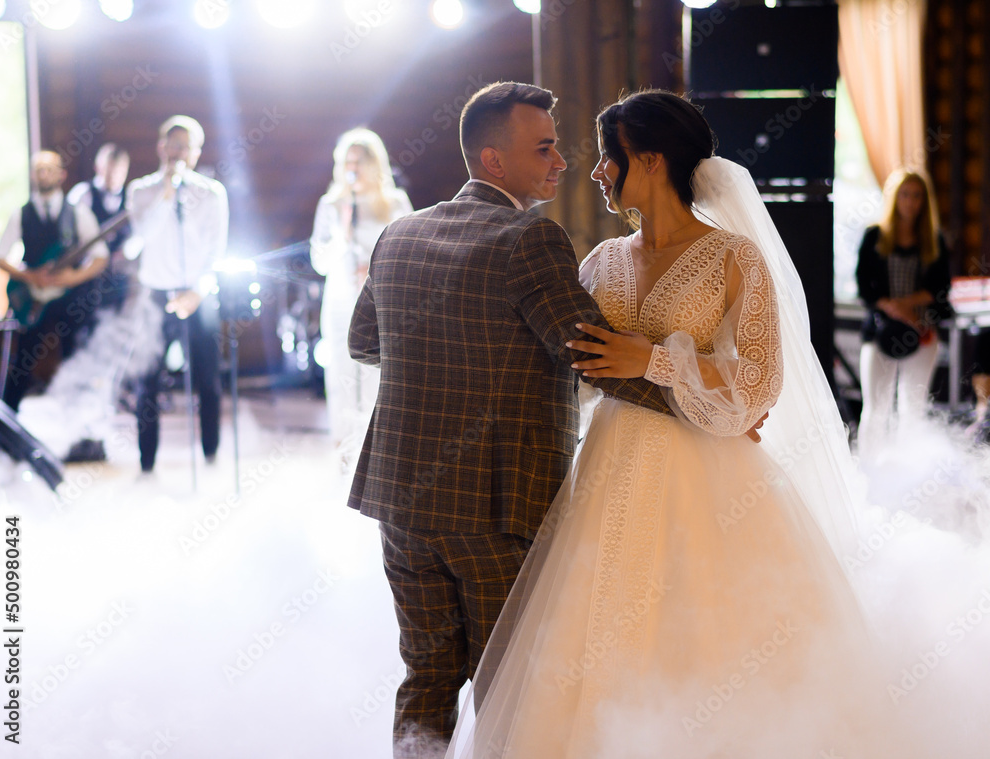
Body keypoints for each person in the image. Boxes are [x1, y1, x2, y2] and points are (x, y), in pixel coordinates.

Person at [446, 90, 918, 758]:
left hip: (713, 478)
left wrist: (659, 360)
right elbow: (568, 362)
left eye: (607, 159)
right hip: (607, 465)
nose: (594, 172)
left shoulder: (734, 258)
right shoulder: (599, 262)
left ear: (649, 158)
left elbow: (760, 381)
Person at [346, 82, 735, 758]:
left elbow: (364, 341)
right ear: (494, 160)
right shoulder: (529, 236)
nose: (563, 161)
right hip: (495, 503)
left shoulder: (398, 233)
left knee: (427, 675)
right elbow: (592, 353)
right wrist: (706, 405)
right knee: (513, 682)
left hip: (399, 500)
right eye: (547, 148)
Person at [126, 116, 228, 473]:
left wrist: (198, 292)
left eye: (185, 146)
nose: (178, 152)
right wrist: (166, 195)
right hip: (154, 294)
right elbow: (137, 241)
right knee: (147, 381)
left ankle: (211, 454)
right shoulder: (141, 190)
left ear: (196, 152)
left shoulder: (212, 193)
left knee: (208, 380)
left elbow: (216, 251)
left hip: (198, 293)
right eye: (172, 145)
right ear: (161, 147)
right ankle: (147, 462)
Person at [310, 128, 412, 451]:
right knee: (341, 369)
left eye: (360, 160)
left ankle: (377, 444)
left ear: (374, 163)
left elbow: (408, 251)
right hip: (341, 299)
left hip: (382, 299)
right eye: (347, 161)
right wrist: (341, 232)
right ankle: (343, 444)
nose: (353, 167)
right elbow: (319, 261)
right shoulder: (331, 204)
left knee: (377, 372)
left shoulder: (394, 203)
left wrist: (374, 268)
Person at [0, 150, 108, 410]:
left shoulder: (77, 214)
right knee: (21, 362)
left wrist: (73, 278)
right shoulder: (20, 214)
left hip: (69, 299)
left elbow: (100, 257)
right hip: (33, 298)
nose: (43, 174)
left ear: (61, 174)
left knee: (76, 357)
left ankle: (80, 425)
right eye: (38, 169)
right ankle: (6, 425)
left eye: (49, 168)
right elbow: (1, 257)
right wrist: (30, 276)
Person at [855, 168, 952, 461]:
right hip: (881, 330)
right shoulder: (875, 236)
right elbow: (863, 285)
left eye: (917, 196)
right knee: (876, 407)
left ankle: (908, 471)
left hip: (921, 332)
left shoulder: (934, 240)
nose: (911, 202)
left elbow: (941, 287)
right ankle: (870, 471)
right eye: (905, 195)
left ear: (925, 201)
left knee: (913, 406)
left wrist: (907, 305)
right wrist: (892, 308)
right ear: (895, 198)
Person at [68, 142, 134, 318]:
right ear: (98, 167)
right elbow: (68, 237)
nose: (113, 176)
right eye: (109, 169)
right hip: (85, 279)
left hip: (118, 281)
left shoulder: (133, 198)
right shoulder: (82, 194)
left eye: (119, 170)